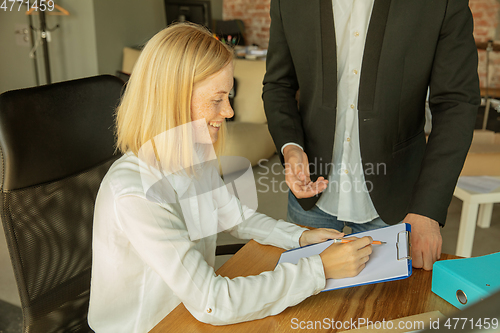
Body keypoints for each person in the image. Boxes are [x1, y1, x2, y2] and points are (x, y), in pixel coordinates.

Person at [87, 23, 373, 332]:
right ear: (173, 99)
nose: (229, 112)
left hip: (186, 313)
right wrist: (320, 269)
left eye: (229, 97)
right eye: (217, 99)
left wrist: (299, 238)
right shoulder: (136, 193)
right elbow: (214, 301)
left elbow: (232, 216)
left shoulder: (191, 154)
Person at [262, 0, 481, 271]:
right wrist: (290, 146)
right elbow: (278, 85)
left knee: (386, 312)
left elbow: (456, 104)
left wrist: (427, 209)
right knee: (306, 307)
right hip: (310, 196)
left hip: (399, 200)